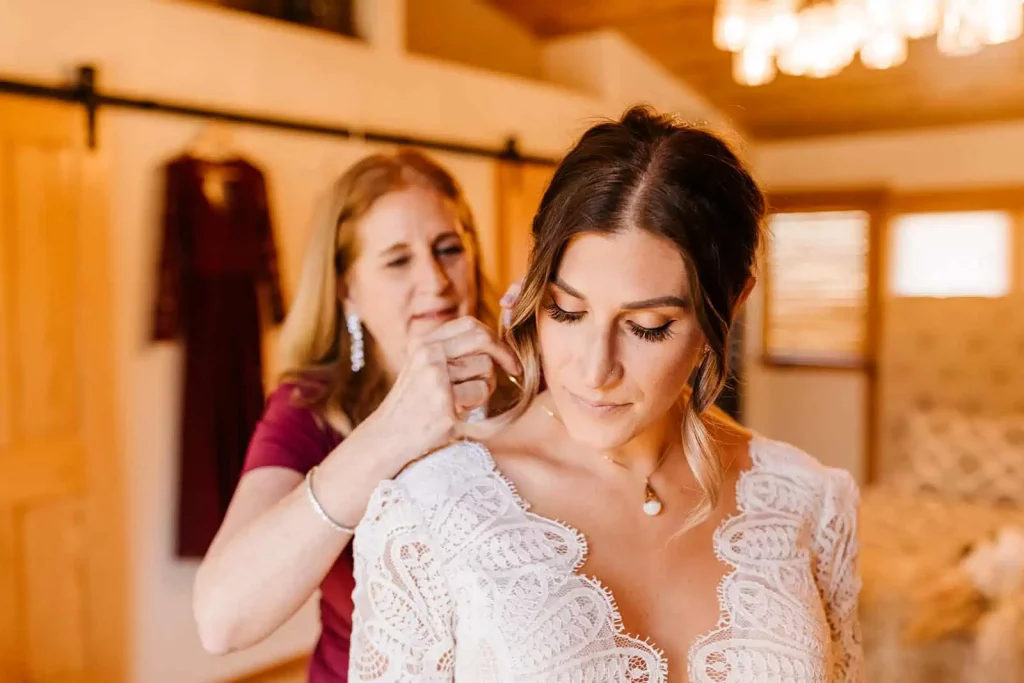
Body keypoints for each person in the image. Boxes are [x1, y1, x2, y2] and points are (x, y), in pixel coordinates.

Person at [347, 107, 864, 682]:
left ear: (734, 301)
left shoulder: (810, 502)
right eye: (566, 311)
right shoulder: (433, 510)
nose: (595, 370)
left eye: (647, 326)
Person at [192, 149, 521, 681]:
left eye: (448, 249)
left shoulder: (529, 386)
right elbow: (221, 622)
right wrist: (391, 433)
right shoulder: (308, 412)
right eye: (397, 260)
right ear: (346, 288)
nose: (436, 280)